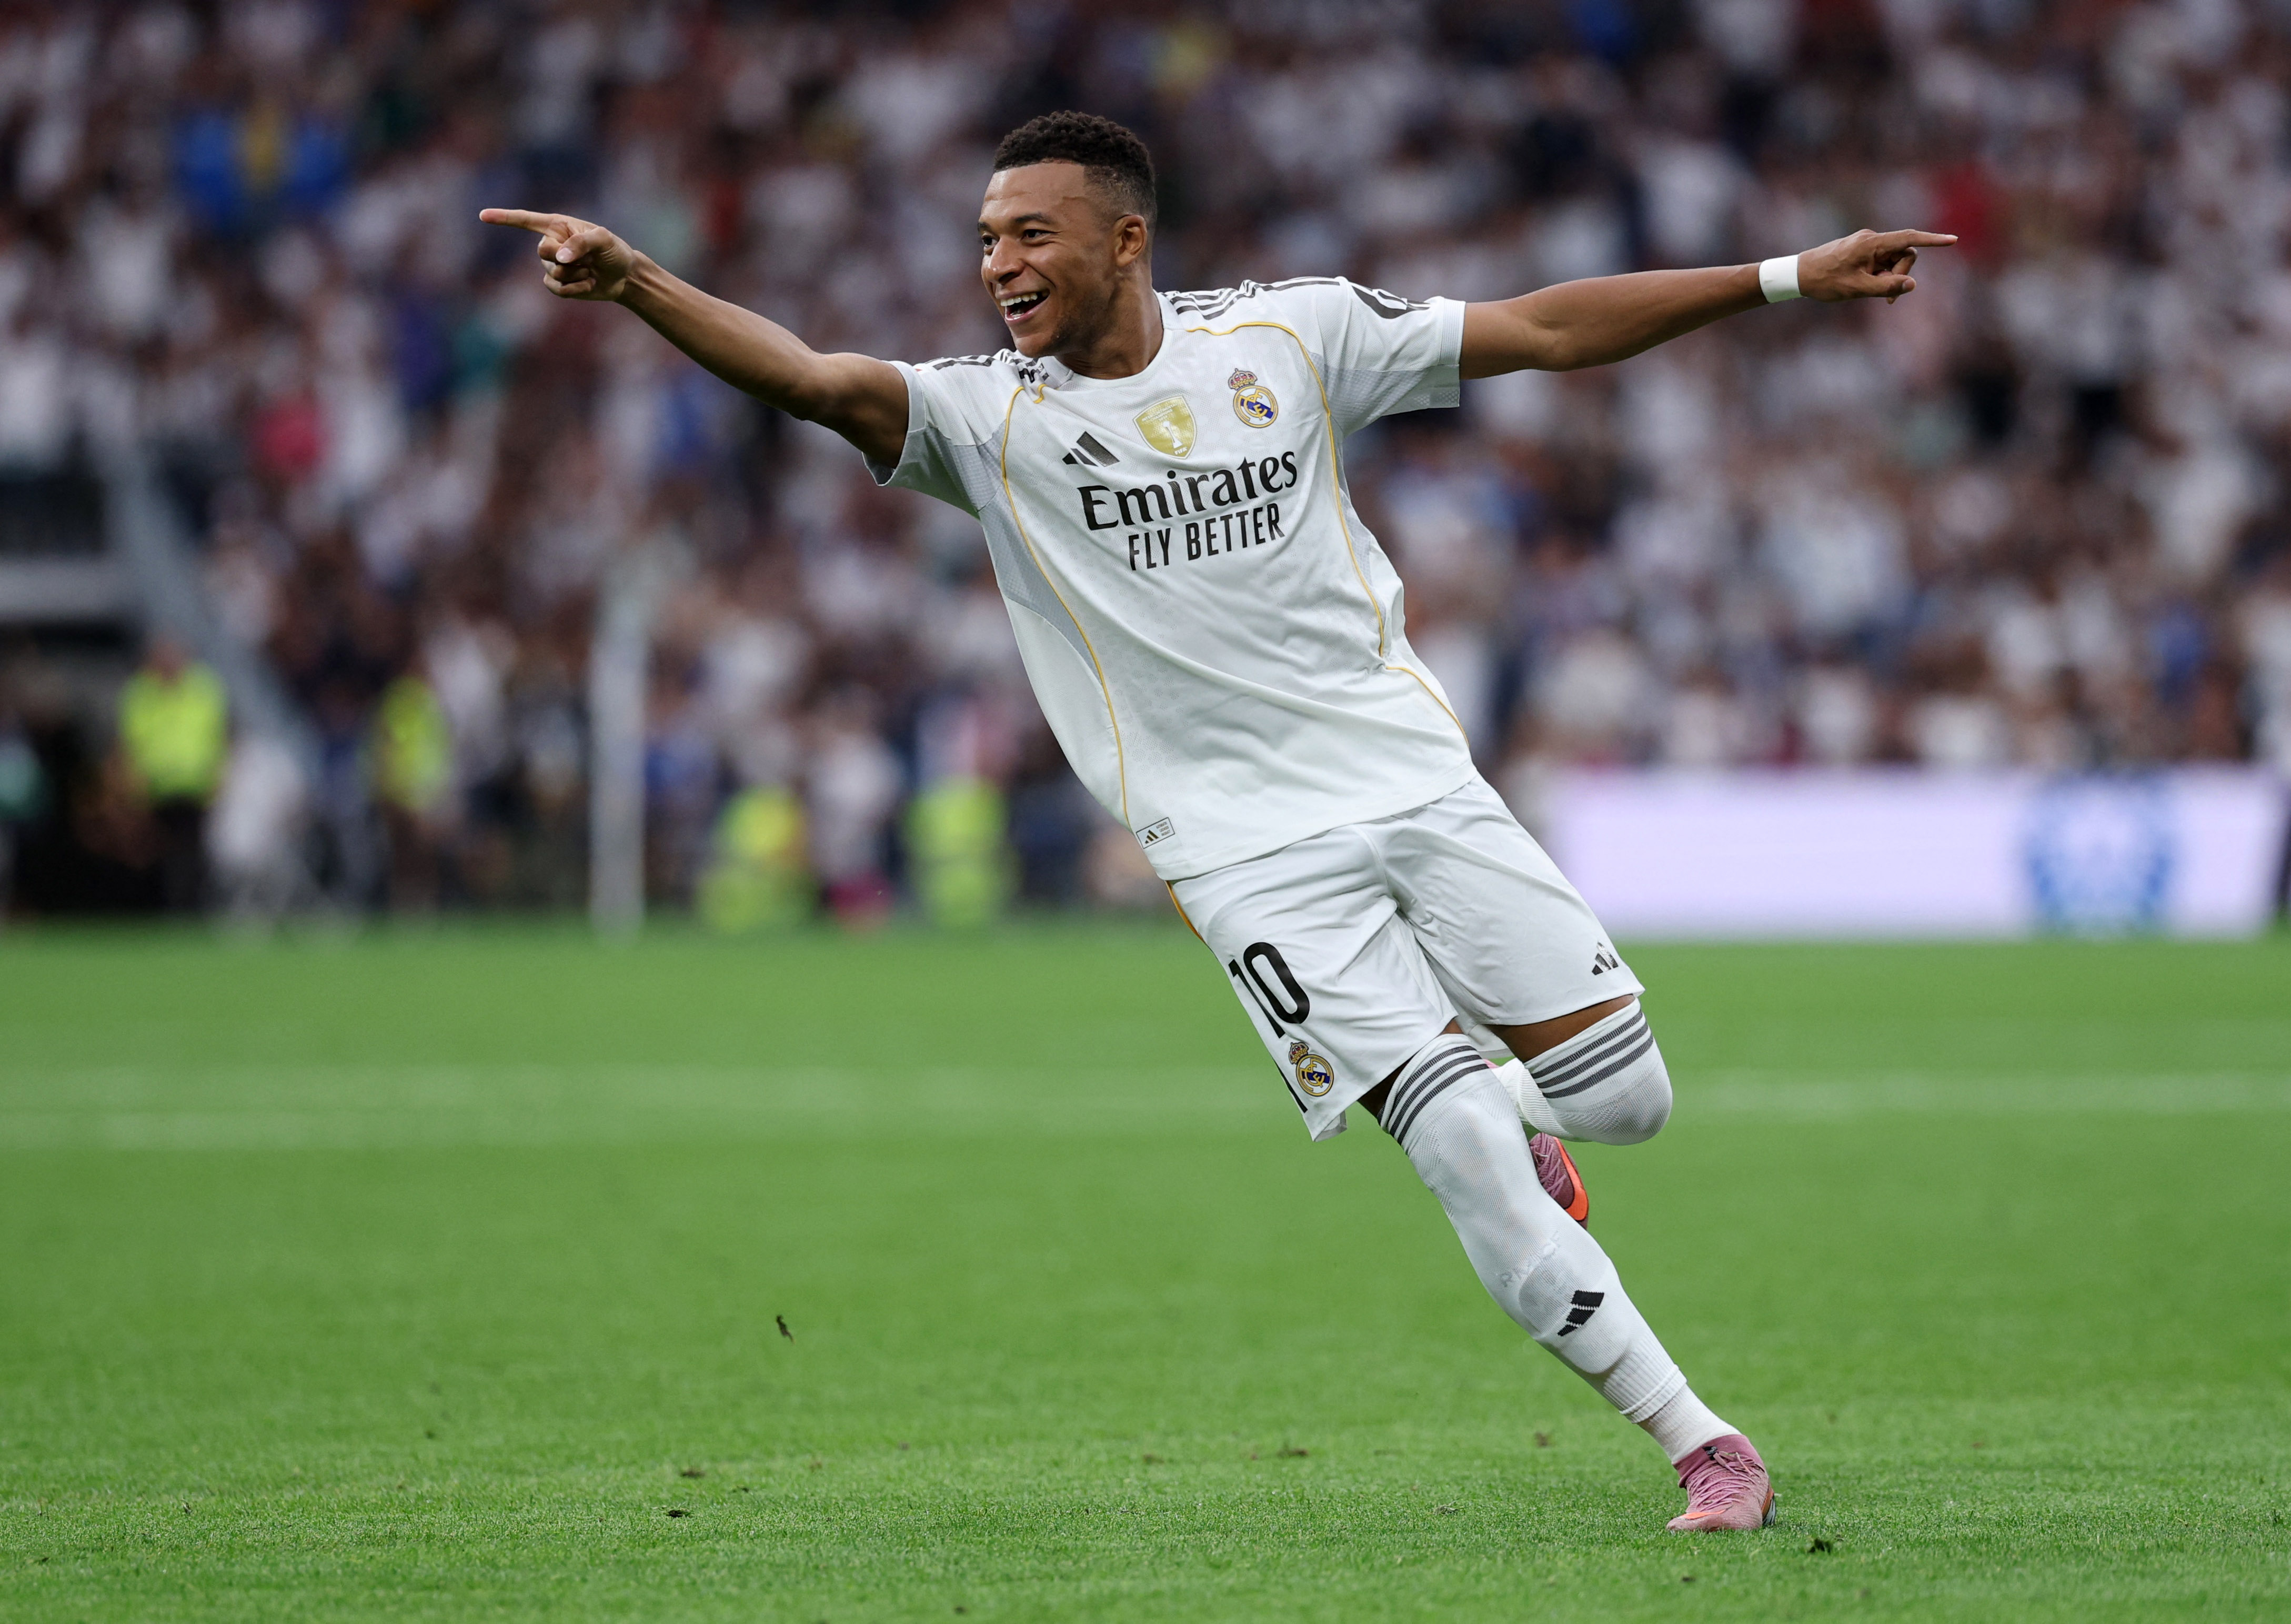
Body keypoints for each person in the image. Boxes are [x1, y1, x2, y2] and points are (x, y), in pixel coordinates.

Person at [484, 110, 1950, 1533]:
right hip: (1241, 853)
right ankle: (1704, 1440)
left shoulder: (1289, 335)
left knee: (1626, 1103)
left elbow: (1544, 328)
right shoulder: (987, 420)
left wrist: (1780, 278)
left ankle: (1510, 1104)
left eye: (1030, 234)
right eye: (985, 239)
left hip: (1414, 783)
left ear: (1126, 239)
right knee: (1454, 1154)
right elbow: (810, 378)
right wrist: (635, 284)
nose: (997, 264)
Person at [117, 635, 230, 913]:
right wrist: (133, 783)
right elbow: (130, 743)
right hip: (155, 790)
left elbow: (219, 736)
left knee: (193, 855)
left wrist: (218, 776)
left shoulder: (204, 688)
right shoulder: (141, 692)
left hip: (195, 788)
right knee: (156, 855)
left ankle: (193, 910)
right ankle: (163, 910)